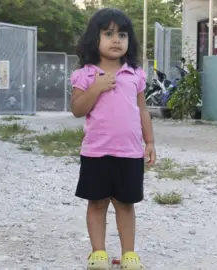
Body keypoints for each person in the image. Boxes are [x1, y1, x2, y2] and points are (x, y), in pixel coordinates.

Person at [70, 7, 156, 270]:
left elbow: (142, 110)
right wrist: (96, 88)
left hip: (129, 153)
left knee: (126, 204)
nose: (116, 40)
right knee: (96, 203)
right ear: (94, 39)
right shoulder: (84, 75)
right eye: (108, 34)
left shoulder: (135, 74)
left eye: (122, 34)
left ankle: (129, 254)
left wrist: (149, 142)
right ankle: (98, 254)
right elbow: (77, 110)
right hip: (96, 152)